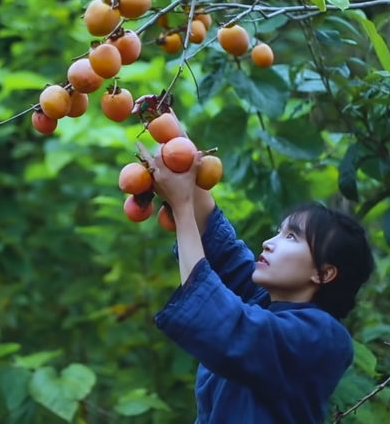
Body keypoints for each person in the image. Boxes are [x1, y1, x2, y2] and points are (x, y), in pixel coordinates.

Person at [146, 151, 376, 423]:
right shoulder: (264, 303)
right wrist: (170, 131)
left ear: (323, 273)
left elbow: (227, 325)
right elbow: (218, 246)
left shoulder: (322, 338)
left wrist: (181, 205)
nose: (269, 242)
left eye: (291, 237)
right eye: (279, 231)